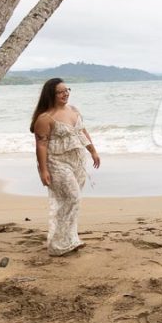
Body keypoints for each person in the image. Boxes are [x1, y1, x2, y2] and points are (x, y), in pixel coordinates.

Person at [30, 78, 100, 256]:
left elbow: (82, 132)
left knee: (69, 202)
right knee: (72, 198)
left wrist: (93, 151)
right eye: (60, 92)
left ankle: (70, 239)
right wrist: (44, 170)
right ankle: (57, 245)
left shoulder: (74, 110)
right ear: (51, 95)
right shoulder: (45, 118)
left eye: (67, 90)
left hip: (77, 161)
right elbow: (41, 145)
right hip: (57, 163)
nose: (65, 93)